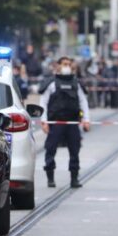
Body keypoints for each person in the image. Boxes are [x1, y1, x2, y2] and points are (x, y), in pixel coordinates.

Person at [40, 56, 91, 188]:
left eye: (68, 64)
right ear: (58, 66)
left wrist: (86, 120)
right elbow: (43, 103)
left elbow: (83, 102)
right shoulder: (51, 83)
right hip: (55, 122)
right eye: (64, 64)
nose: (67, 66)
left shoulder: (76, 83)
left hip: (72, 123)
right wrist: (44, 121)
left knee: (75, 150)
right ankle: (50, 177)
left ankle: (74, 178)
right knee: (50, 149)